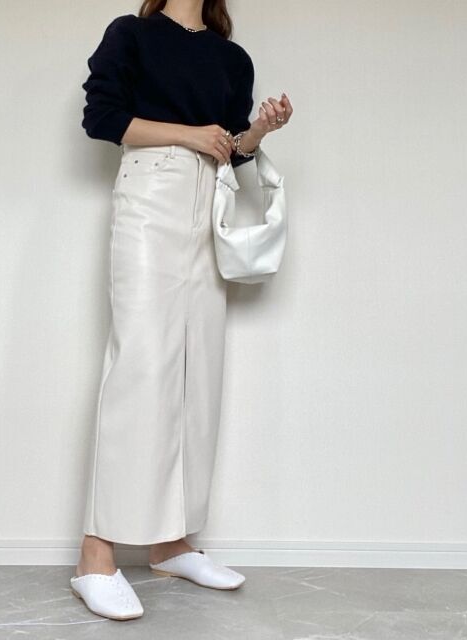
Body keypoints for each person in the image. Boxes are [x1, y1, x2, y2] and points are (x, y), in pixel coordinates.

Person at [70, 0, 293, 620]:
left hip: (210, 203)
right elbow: (102, 118)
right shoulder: (132, 34)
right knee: (140, 366)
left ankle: (171, 543)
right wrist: (189, 134)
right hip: (151, 194)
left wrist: (258, 131)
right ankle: (95, 557)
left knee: (199, 373)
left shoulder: (232, 58)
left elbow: (233, 148)